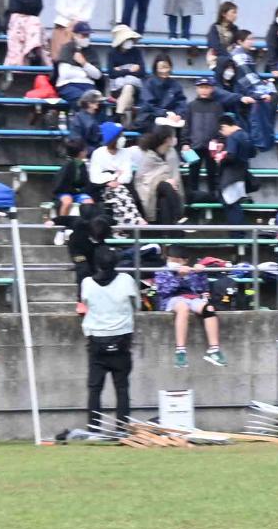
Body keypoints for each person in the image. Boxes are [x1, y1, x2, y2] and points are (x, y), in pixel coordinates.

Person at [78, 246, 139, 433]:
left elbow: (85, 303)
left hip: (96, 339)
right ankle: (122, 427)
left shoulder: (87, 283)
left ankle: (94, 428)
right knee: (122, 387)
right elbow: (136, 303)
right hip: (121, 338)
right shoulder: (126, 280)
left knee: (95, 388)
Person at [154, 247, 225, 370]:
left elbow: (202, 289)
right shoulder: (162, 271)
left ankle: (214, 350)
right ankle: (180, 351)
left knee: (209, 309)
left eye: (176, 260)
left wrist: (200, 273)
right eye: (171, 259)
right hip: (172, 299)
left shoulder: (191, 270)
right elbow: (164, 291)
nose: (173, 262)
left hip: (193, 298)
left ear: (185, 261)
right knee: (183, 308)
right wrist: (178, 278)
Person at [182, 76, 231, 202]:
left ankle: (213, 198)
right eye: (201, 87)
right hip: (194, 146)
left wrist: (220, 141)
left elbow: (222, 126)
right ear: (197, 89)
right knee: (193, 174)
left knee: (213, 174)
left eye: (207, 87)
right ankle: (192, 200)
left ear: (212, 89)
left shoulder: (217, 106)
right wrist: (185, 142)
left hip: (212, 147)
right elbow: (187, 126)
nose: (204, 90)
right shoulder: (191, 106)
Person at [88, 122, 143, 229]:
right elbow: (95, 177)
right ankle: (135, 220)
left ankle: (128, 224)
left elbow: (127, 175)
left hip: (121, 186)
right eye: (120, 136)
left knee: (120, 191)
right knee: (118, 194)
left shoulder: (125, 153)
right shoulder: (98, 153)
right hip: (103, 188)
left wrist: (117, 180)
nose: (123, 138)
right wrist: (113, 176)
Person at [133, 123, 186, 224]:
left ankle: (168, 235)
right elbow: (142, 179)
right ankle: (180, 217)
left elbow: (175, 174)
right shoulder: (149, 156)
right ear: (167, 139)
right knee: (164, 185)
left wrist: (172, 182)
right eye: (173, 137)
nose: (175, 139)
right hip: (149, 191)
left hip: (168, 194)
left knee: (164, 200)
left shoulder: (172, 153)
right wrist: (163, 180)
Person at [211, 110, 256, 226]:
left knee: (231, 206)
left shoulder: (232, 137)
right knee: (235, 205)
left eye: (221, 130)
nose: (222, 134)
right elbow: (252, 153)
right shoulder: (245, 135)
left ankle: (239, 235)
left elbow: (231, 156)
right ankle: (241, 234)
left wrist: (220, 158)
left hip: (230, 177)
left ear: (224, 126)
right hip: (241, 175)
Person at [3, 0, 46, 68]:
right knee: (33, 22)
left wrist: (27, 8)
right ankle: (30, 49)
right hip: (17, 21)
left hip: (31, 22)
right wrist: (28, 9)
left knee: (36, 23)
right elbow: (15, 7)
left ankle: (32, 49)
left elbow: (38, 8)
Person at [103, 24, 147, 117]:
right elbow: (111, 74)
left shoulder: (136, 52)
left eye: (130, 39)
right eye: (127, 39)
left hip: (135, 88)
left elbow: (142, 72)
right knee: (128, 92)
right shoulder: (112, 53)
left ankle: (118, 116)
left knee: (129, 87)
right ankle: (125, 119)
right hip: (117, 89)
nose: (129, 41)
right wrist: (130, 70)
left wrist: (121, 71)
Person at [53, 26, 103, 107]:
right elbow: (65, 74)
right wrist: (86, 73)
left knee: (97, 102)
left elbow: (97, 75)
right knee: (83, 101)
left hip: (89, 86)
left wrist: (84, 63)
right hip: (68, 86)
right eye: (83, 35)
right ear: (75, 35)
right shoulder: (67, 48)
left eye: (88, 36)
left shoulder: (91, 51)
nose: (86, 38)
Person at [139, 55, 188, 129]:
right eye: (161, 68)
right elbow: (148, 105)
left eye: (166, 67)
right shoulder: (149, 83)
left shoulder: (176, 85)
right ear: (156, 69)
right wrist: (164, 114)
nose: (164, 71)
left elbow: (181, 103)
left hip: (172, 118)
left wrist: (178, 114)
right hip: (151, 118)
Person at [51, 138, 95, 219]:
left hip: (77, 193)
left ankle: (86, 225)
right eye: (84, 150)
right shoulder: (67, 165)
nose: (86, 151)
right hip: (64, 192)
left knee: (89, 202)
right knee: (67, 202)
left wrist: (81, 190)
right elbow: (59, 185)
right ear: (80, 153)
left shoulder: (82, 165)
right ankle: (62, 224)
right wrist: (73, 191)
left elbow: (85, 183)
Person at [204, 1, 242, 68]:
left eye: (236, 13)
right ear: (224, 14)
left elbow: (237, 44)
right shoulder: (214, 28)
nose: (235, 15)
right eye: (233, 12)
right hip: (217, 60)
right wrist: (229, 56)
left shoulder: (235, 29)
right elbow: (215, 46)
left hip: (231, 60)